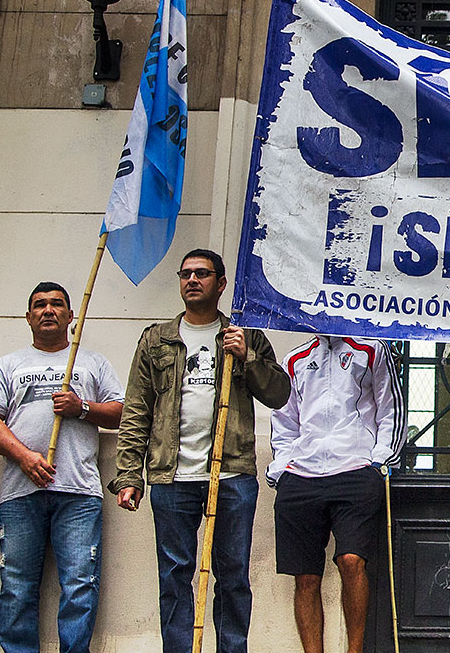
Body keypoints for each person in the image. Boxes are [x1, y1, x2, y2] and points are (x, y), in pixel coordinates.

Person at [109, 249, 290, 653]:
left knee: (232, 575)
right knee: (174, 575)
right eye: (186, 273)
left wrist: (248, 357)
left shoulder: (247, 335)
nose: (192, 280)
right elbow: (137, 410)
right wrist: (128, 476)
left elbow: (279, 394)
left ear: (221, 284)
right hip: (172, 477)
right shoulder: (157, 339)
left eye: (202, 274)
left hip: (231, 476)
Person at [0, 282, 123, 653]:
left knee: (80, 585)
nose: (47, 310)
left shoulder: (91, 362)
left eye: (56, 305)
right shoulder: (8, 365)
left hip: (78, 492)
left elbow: (120, 412)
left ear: (70, 316)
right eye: (39, 305)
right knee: (17, 586)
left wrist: (81, 407)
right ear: (28, 317)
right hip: (21, 491)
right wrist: (23, 456)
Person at [269, 335, 407, 653]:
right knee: (305, 576)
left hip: (355, 467)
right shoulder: (295, 358)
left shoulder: (370, 350)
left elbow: (390, 410)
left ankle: (354, 650)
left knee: (351, 561)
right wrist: (281, 468)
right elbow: (285, 418)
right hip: (302, 473)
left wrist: (379, 459)